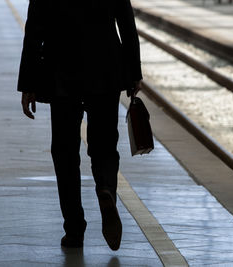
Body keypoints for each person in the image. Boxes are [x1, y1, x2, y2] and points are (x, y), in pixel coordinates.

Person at [17, 0, 142, 250]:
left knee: (64, 152)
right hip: (105, 66)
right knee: (104, 145)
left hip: (62, 68)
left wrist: (28, 82)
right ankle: (105, 187)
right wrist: (133, 71)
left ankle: (74, 230)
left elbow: (35, 25)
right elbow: (126, 20)